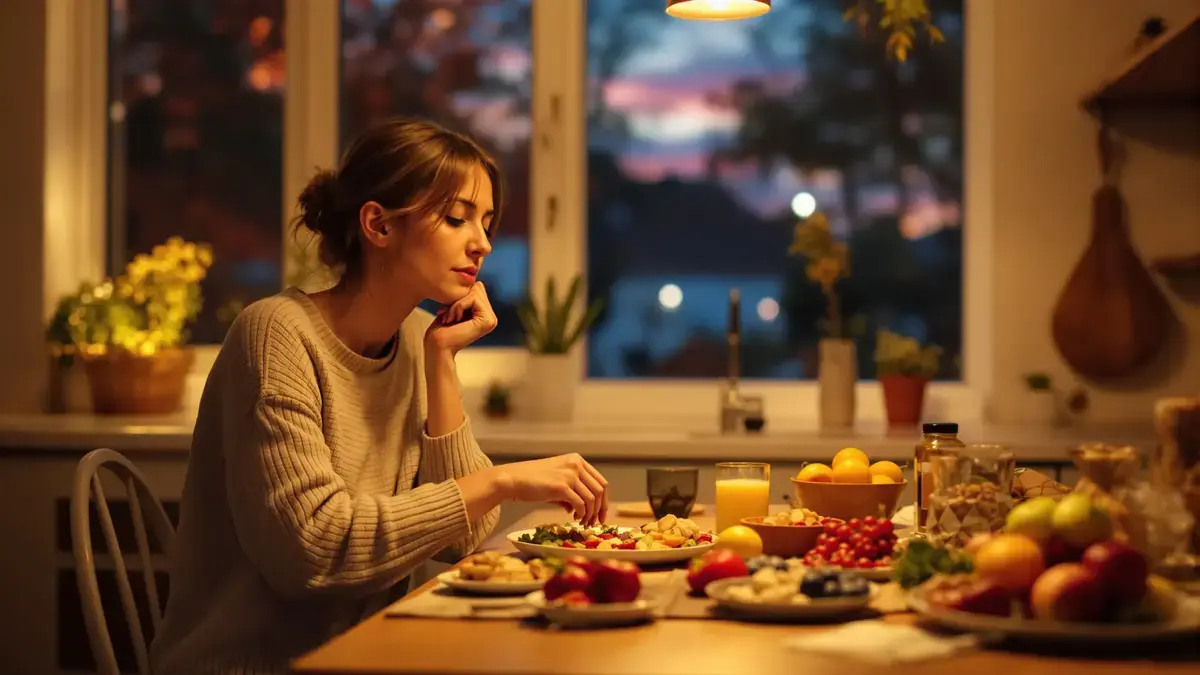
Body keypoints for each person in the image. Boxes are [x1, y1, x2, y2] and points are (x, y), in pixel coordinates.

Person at [150, 118, 609, 675]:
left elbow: (464, 537)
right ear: (379, 225)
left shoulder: (417, 339)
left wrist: (441, 362)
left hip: (371, 655)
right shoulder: (275, 334)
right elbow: (313, 553)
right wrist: (503, 479)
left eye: (487, 222)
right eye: (457, 217)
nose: (483, 242)